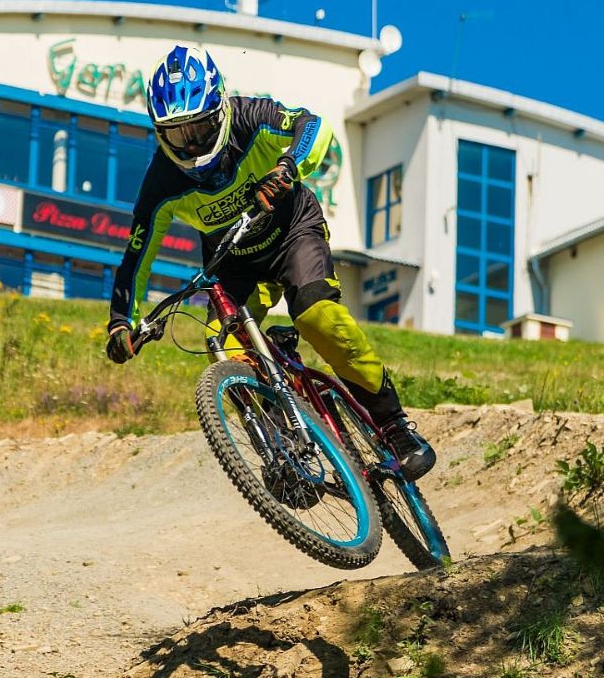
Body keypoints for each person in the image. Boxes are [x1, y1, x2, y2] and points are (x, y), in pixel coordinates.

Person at [105, 45, 435, 481]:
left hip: (292, 232)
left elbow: (314, 127)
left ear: (220, 109)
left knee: (319, 318)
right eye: (177, 135)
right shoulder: (160, 184)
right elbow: (136, 258)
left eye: (200, 129)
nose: (192, 145)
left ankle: (395, 427)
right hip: (233, 262)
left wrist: (287, 167)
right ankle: (284, 450)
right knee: (221, 348)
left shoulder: (250, 115)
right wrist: (120, 323)